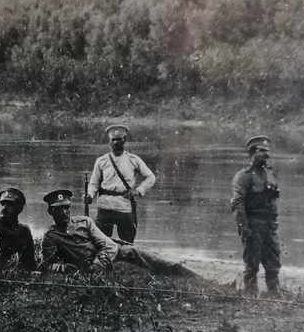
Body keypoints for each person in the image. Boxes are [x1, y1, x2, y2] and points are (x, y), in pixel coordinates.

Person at [41, 189, 193, 278]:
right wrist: (63, 268)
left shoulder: (84, 222)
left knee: (136, 253)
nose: (64, 212)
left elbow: (109, 246)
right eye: (59, 209)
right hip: (94, 264)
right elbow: (48, 264)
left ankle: (181, 272)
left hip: (109, 255)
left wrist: (97, 265)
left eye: (66, 207)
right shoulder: (51, 237)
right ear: (50, 212)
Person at [86, 124, 156, 243]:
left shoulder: (133, 160)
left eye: (119, 139)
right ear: (109, 142)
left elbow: (151, 177)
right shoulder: (101, 161)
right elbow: (94, 183)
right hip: (104, 206)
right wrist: (90, 195)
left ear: (124, 140)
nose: (116, 142)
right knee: (100, 242)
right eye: (113, 140)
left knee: (127, 243)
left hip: (124, 206)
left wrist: (138, 191)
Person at [230, 135, 281, 296]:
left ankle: (274, 294)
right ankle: (250, 295)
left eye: (267, 151)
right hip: (253, 225)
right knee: (252, 264)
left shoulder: (271, 174)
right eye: (262, 151)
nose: (267, 154)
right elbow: (238, 203)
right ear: (252, 153)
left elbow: (273, 200)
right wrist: (243, 227)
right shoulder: (243, 176)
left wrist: (274, 222)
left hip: (269, 226)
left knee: (273, 263)